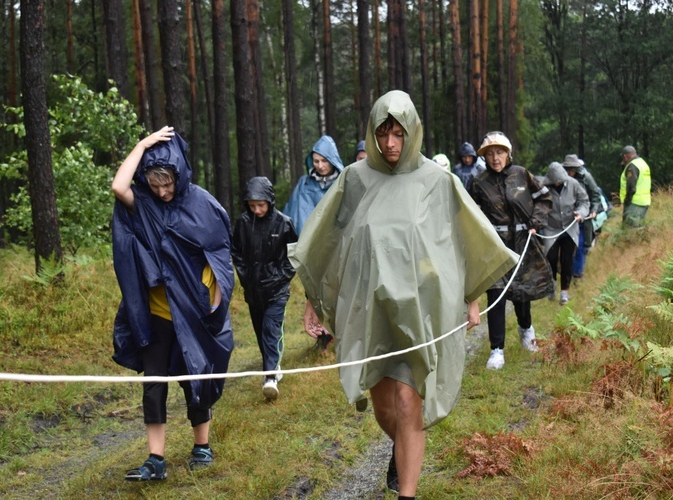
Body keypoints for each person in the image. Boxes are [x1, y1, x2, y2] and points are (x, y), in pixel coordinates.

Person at [289, 91, 517, 498]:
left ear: (412, 131)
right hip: (369, 309)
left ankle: (406, 492)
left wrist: (471, 297)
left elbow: (462, 240)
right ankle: (401, 448)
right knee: (385, 406)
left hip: (421, 309)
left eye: (398, 133)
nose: (390, 143)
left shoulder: (437, 181)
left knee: (409, 400)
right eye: (382, 133)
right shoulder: (355, 180)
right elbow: (328, 239)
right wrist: (312, 299)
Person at [111, 126, 234, 480]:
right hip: (155, 314)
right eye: (155, 183)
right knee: (154, 383)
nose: (162, 191)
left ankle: (202, 446)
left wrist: (213, 304)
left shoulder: (202, 204)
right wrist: (142, 145)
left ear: (179, 174)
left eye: (168, 183)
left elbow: (220, 257)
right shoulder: (144, 205)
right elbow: (120, 187)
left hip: (193, 312)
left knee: (196, 377)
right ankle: (156, 460)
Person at [469, 131, 554, 370]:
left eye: (500, 152)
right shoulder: (478, 182)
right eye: (490, 153)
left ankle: (526, 329)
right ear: (484, 157)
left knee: (521, 292)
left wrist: (535, 222)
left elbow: (544, 198)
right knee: (496, 294)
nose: (495, 158)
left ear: (508, 153)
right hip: (494, 245)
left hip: (522, 241)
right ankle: (497, 350)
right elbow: (468, 212)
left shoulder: (522, 175)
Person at [232, 176, 298, 401]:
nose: (257, 210)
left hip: (277, 292)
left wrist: (278, 277)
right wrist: (245, 277)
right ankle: (272, 365)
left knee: (271, 330)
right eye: (252, 206)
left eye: (261, 205)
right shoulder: (242, 223)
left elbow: (294, 257)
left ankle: (270, 377)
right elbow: (237, 253)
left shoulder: (284, 223)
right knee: (261, 332)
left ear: (270, 201)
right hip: (253, 291)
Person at [541, 162, 589, 305]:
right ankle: (552, 285)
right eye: (555, 181)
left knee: (567, 259)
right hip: (551, 227)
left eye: (560, 180)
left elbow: (584, 202)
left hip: (570, 226)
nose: (558, 183)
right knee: (551, 258)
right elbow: (536, 203)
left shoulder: (573, 184)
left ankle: (564, 293)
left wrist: (580, 213)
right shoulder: (543, 187)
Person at [284, 136, 344, 235]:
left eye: (324, 160)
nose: (320, 166)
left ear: (333, 160)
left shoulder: (343, 182)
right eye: (316, 161)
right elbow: (291, 213)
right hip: (307, 243)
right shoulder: (304, 183)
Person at [562, 154, 602, 279]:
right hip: (566, 219)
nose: (570, 172)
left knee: (581, 247)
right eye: (567, 169)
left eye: (572, 169)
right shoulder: (561, 179)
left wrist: (594, 210)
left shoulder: (586, 178)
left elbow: (595, 195)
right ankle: (568, 273)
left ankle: (577, 275)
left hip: (583, 218)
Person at [619, 145, 652, 227]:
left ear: (625, 156)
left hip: (634, 203)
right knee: (638, 230)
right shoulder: (643, 163)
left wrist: (627, 201)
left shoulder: (632, 166)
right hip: (644, 202)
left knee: (630, 231)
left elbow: (631, 186)